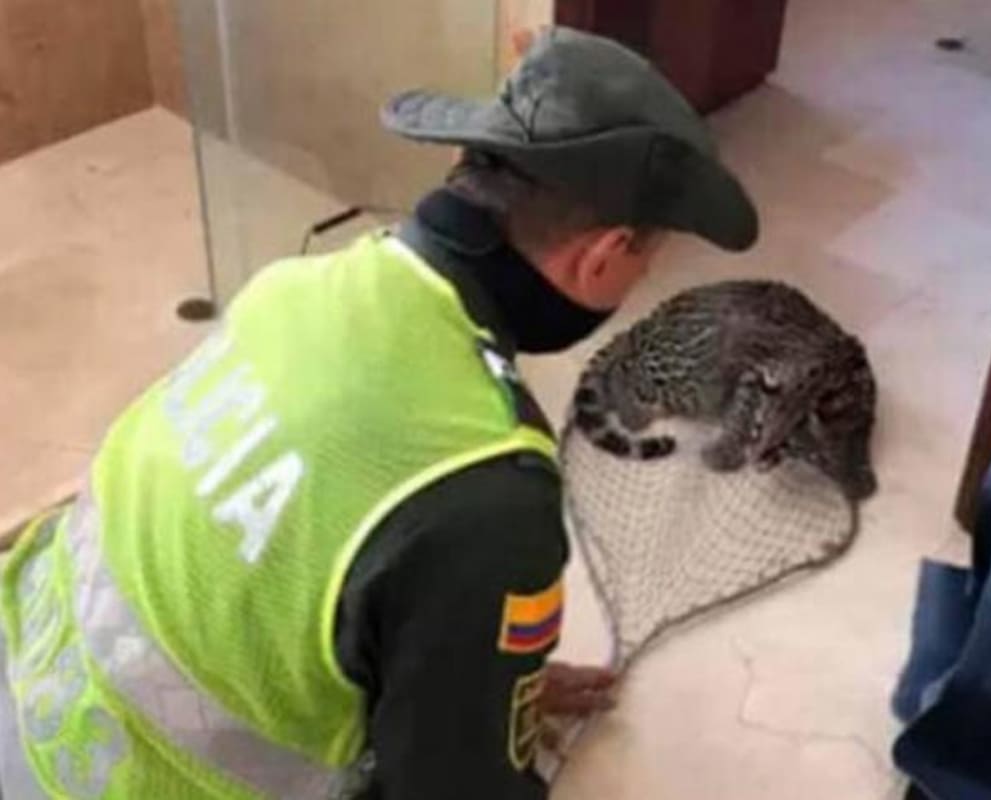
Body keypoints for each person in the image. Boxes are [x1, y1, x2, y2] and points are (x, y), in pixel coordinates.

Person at [0, 27, 757, 800]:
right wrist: (472, 714)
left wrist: (474, 675)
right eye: (642, 264)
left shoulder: (292, 290)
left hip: (27, 691)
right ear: (603, 255)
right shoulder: (485, 486)